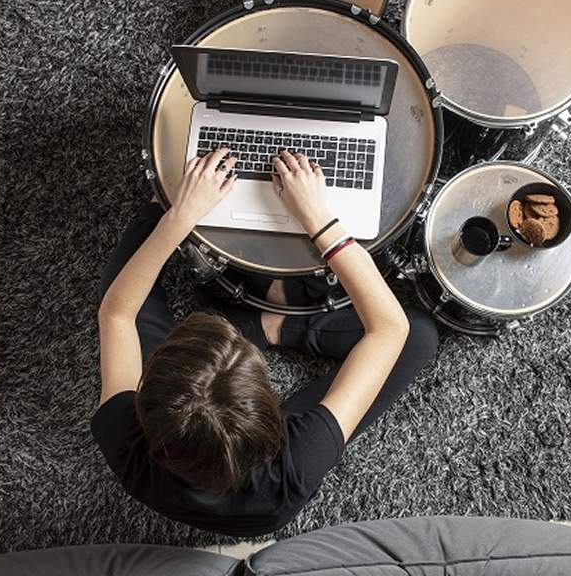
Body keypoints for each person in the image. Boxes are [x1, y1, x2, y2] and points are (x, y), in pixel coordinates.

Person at [93, 148, 439, 537]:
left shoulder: (124, 441)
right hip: (268, 495)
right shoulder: (297, 463)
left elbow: (117, 313)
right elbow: (390, 329)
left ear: (146, 396)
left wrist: (178, 214)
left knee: (129, 293)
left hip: (192, 447)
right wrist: (319, 219)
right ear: (271, 416)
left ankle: (165, 200)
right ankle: (276, 328)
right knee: (420, 335)